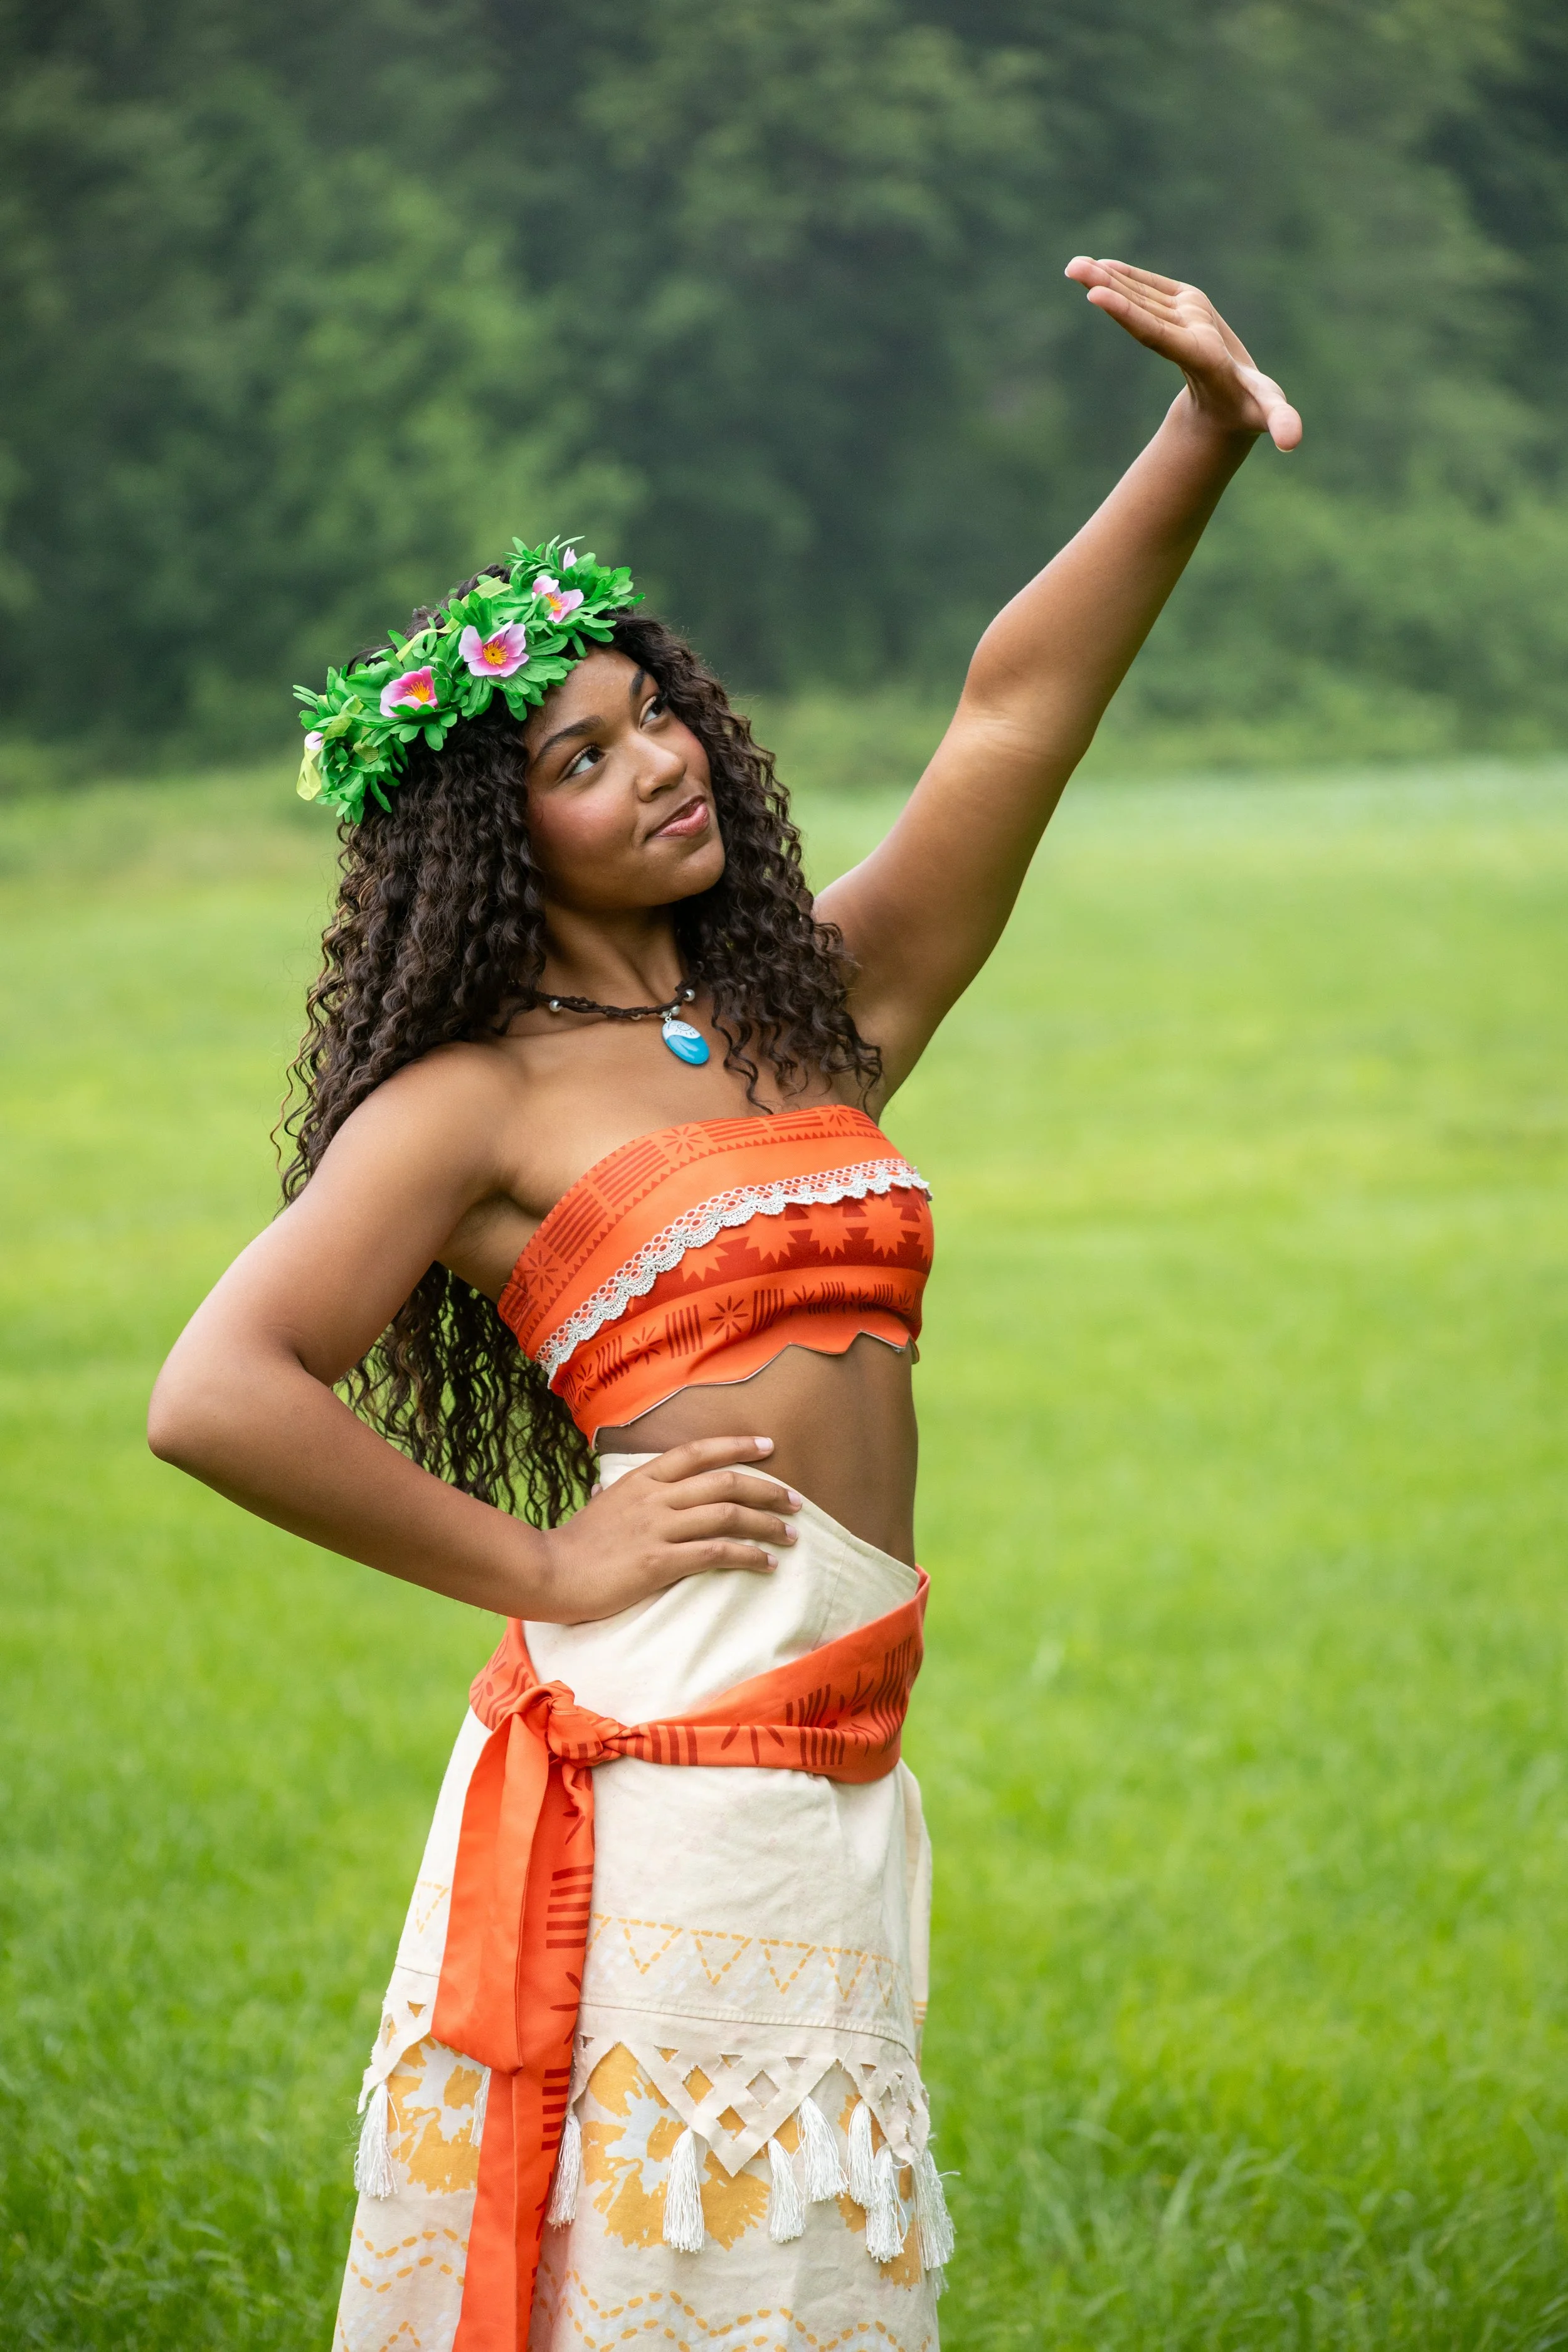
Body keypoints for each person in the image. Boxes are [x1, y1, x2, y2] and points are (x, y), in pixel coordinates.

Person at [149, 257, 1299, 2352]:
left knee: (786, 2274)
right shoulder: (466, 1100)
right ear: (501, 843)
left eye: (652, 708)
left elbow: (1008, 711)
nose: (660, 760)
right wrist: (542, 1557)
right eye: (582, 758)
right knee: (695, 2280)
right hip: (674, 1754)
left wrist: (1198, 435)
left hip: (839, 1748)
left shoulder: (816, 1007)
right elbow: (216, 1386)